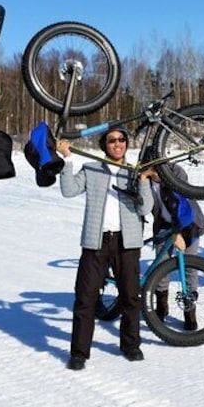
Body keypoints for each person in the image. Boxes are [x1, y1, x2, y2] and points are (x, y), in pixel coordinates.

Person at [57, 126, 153, 371]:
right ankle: (79, 352)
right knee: (86, 298)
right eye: (112, 140)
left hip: (127, 242)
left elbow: (145, 208)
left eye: (122, 139)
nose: (117, 144)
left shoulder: (133, 170)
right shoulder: (91, 168)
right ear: (104, 145)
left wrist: (142, 181)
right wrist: (67, 160)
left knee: (130, 297)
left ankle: (130, 345)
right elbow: (68, 190)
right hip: (96, 242)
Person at [143, 163, 204, 330]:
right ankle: (162, 307)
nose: (156, 169)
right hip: (164, 225)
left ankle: (190, 310)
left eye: (159, 164)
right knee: (161, 267)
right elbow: (144, 206)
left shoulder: (176, 172)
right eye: (152, 166)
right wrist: (143, 179)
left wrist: (178, 232)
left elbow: (181, 202)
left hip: (188, 224)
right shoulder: (147, 180)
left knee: (189, 268)